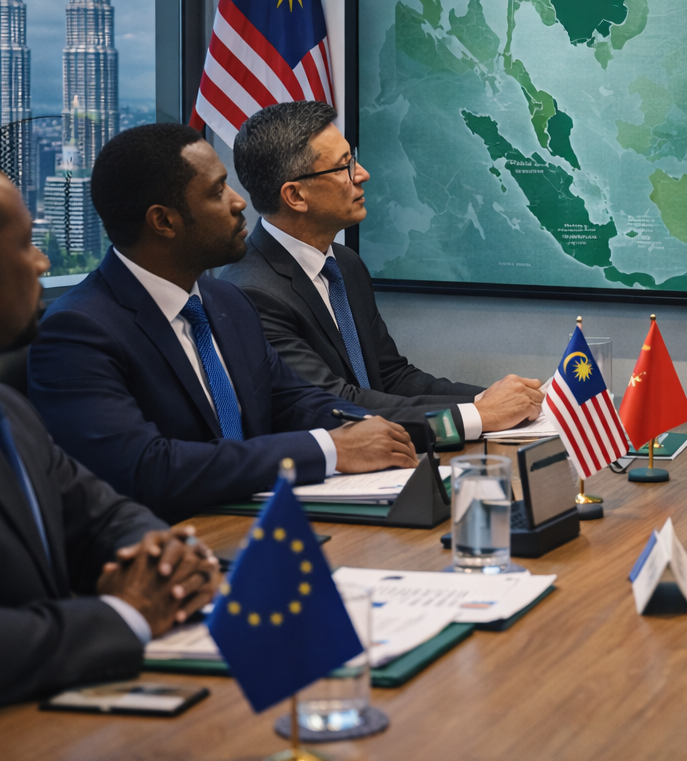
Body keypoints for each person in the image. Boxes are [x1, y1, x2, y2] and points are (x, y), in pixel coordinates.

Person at [0, 158, 219, 714]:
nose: (43, 262)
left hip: (42, 718)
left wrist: (166, 561)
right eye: (26, 244)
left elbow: (103, 517)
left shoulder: (3, 408)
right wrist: (128, 613)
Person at [28, 124, 419, 523]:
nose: (238, 202)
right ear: (163, 222)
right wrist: (330, 450)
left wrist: (375, 430)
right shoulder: (77, 331)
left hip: (261, 525)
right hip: (175, 540)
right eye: (217, 192)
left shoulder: (226, 301)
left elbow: (296, 402)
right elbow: (147, 469)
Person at [219, 101, 543, 439]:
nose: (362, 174)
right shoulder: (251, 293)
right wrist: (478, 416)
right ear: (295, 196)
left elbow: (391, 376)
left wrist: (487, 400)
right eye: (344, 167)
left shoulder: (345, 264)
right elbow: (337, 405)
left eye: (353, 159)